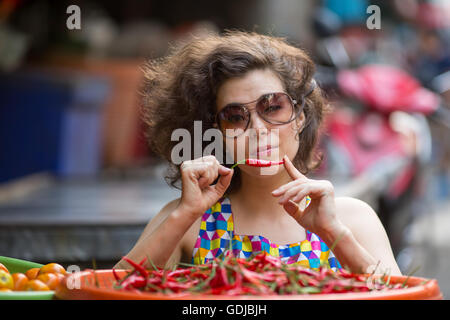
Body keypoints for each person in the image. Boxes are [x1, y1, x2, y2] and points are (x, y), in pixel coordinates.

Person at [114, 31, 401, 275]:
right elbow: (106, 293)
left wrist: (334, 234)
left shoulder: (350, 218)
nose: (257, 129)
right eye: (235, 116)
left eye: (273, 107)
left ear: (299, 116)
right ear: (217, 133)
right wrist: (182, 216)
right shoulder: (192, 221)